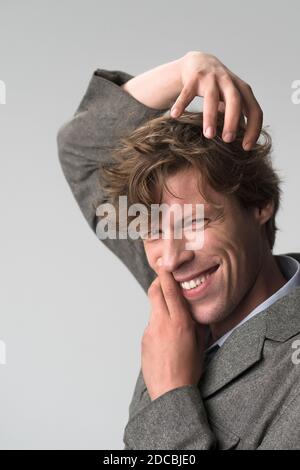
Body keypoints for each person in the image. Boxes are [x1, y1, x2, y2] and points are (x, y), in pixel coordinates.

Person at [57, 51, 300, 450]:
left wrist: (171, 395)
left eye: (194, 222)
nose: (169, 260)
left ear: (259, 204)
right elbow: (83, 150)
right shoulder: (184, 285)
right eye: (149, 229)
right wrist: (187, 69)